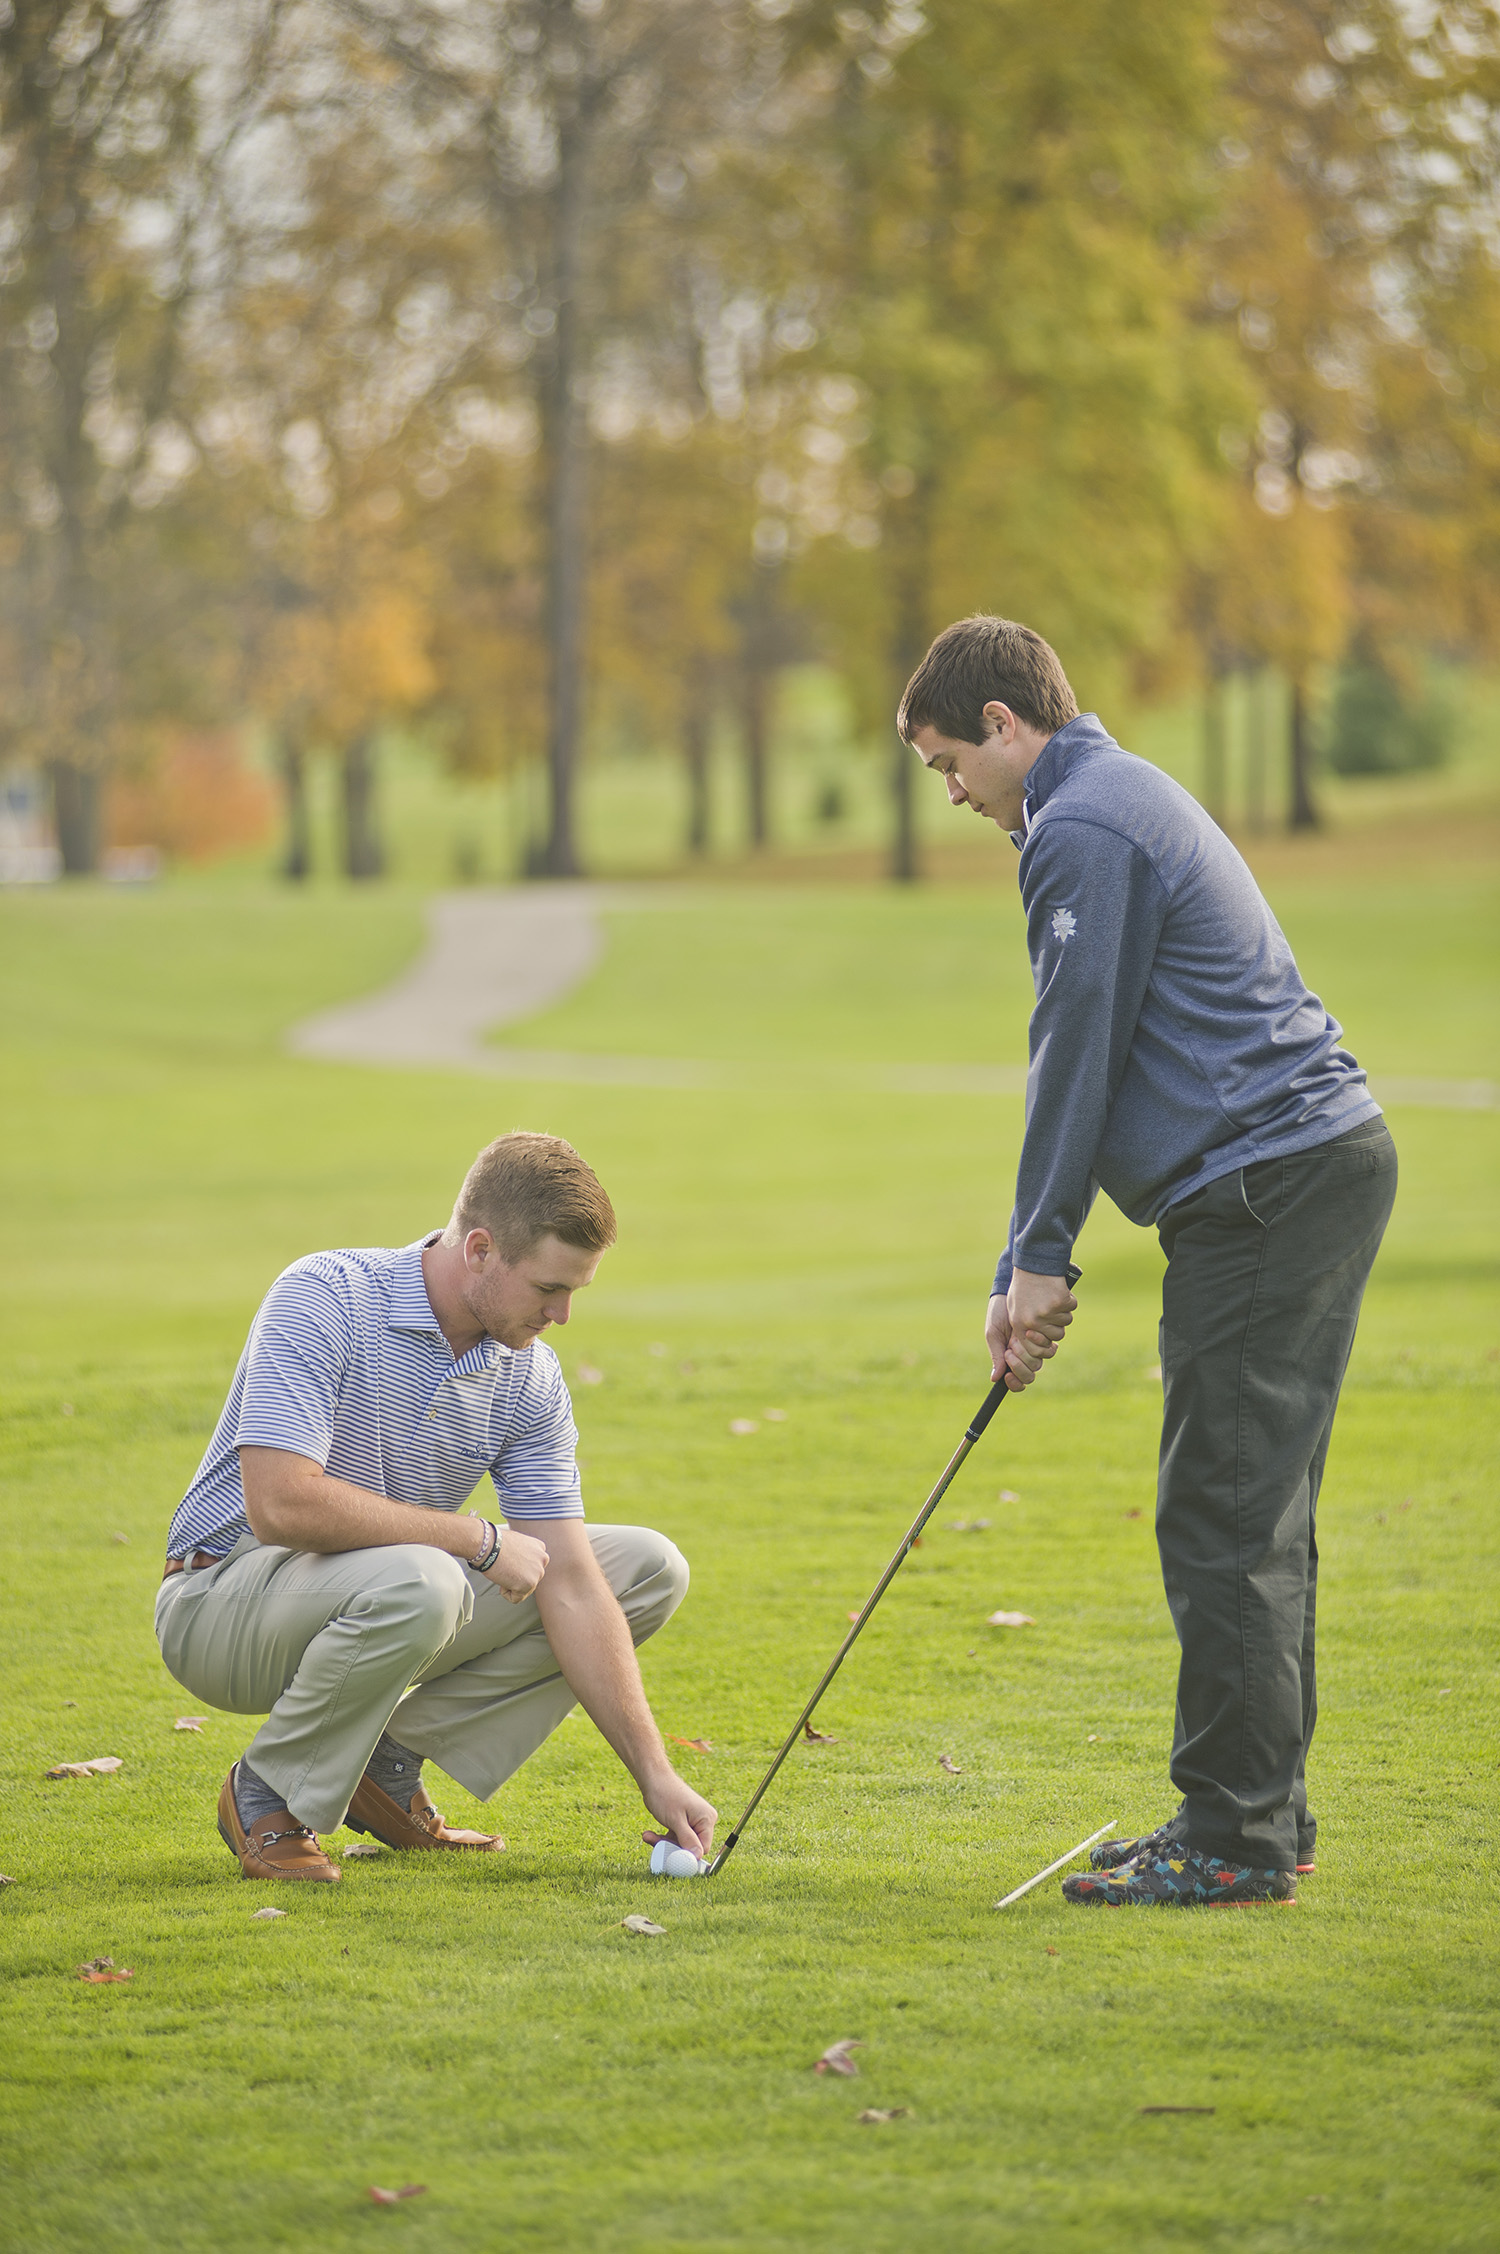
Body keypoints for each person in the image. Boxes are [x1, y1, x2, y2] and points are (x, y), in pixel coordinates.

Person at [899, 616, 1397, 1909]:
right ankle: (1257, 1815)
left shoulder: (1083, 827)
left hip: (1267, 1185)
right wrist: (1035, 1253)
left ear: (1006, 724)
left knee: (1223, 1507)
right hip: (1296, 1172)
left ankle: (1232, 1835)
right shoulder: (1103, 802)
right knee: (1253, 1505)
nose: (949, 792)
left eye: (950, 761)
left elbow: (1077, 1047)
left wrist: (1037, 1258)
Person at [156, 1131, 715, 1883]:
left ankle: (383, 1768)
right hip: (220, 1601)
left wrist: (655, 1773)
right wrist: (475, 1538)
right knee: (431, 1576)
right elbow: (280, 1506)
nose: (562, 1315)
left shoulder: (527, 1376)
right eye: (550, 1289)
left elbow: (577, 1585)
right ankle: (269, 1793)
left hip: (379, 1596)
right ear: (479, 1251)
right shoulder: (325, 1295)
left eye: (575, 1292)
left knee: (645, 1568)